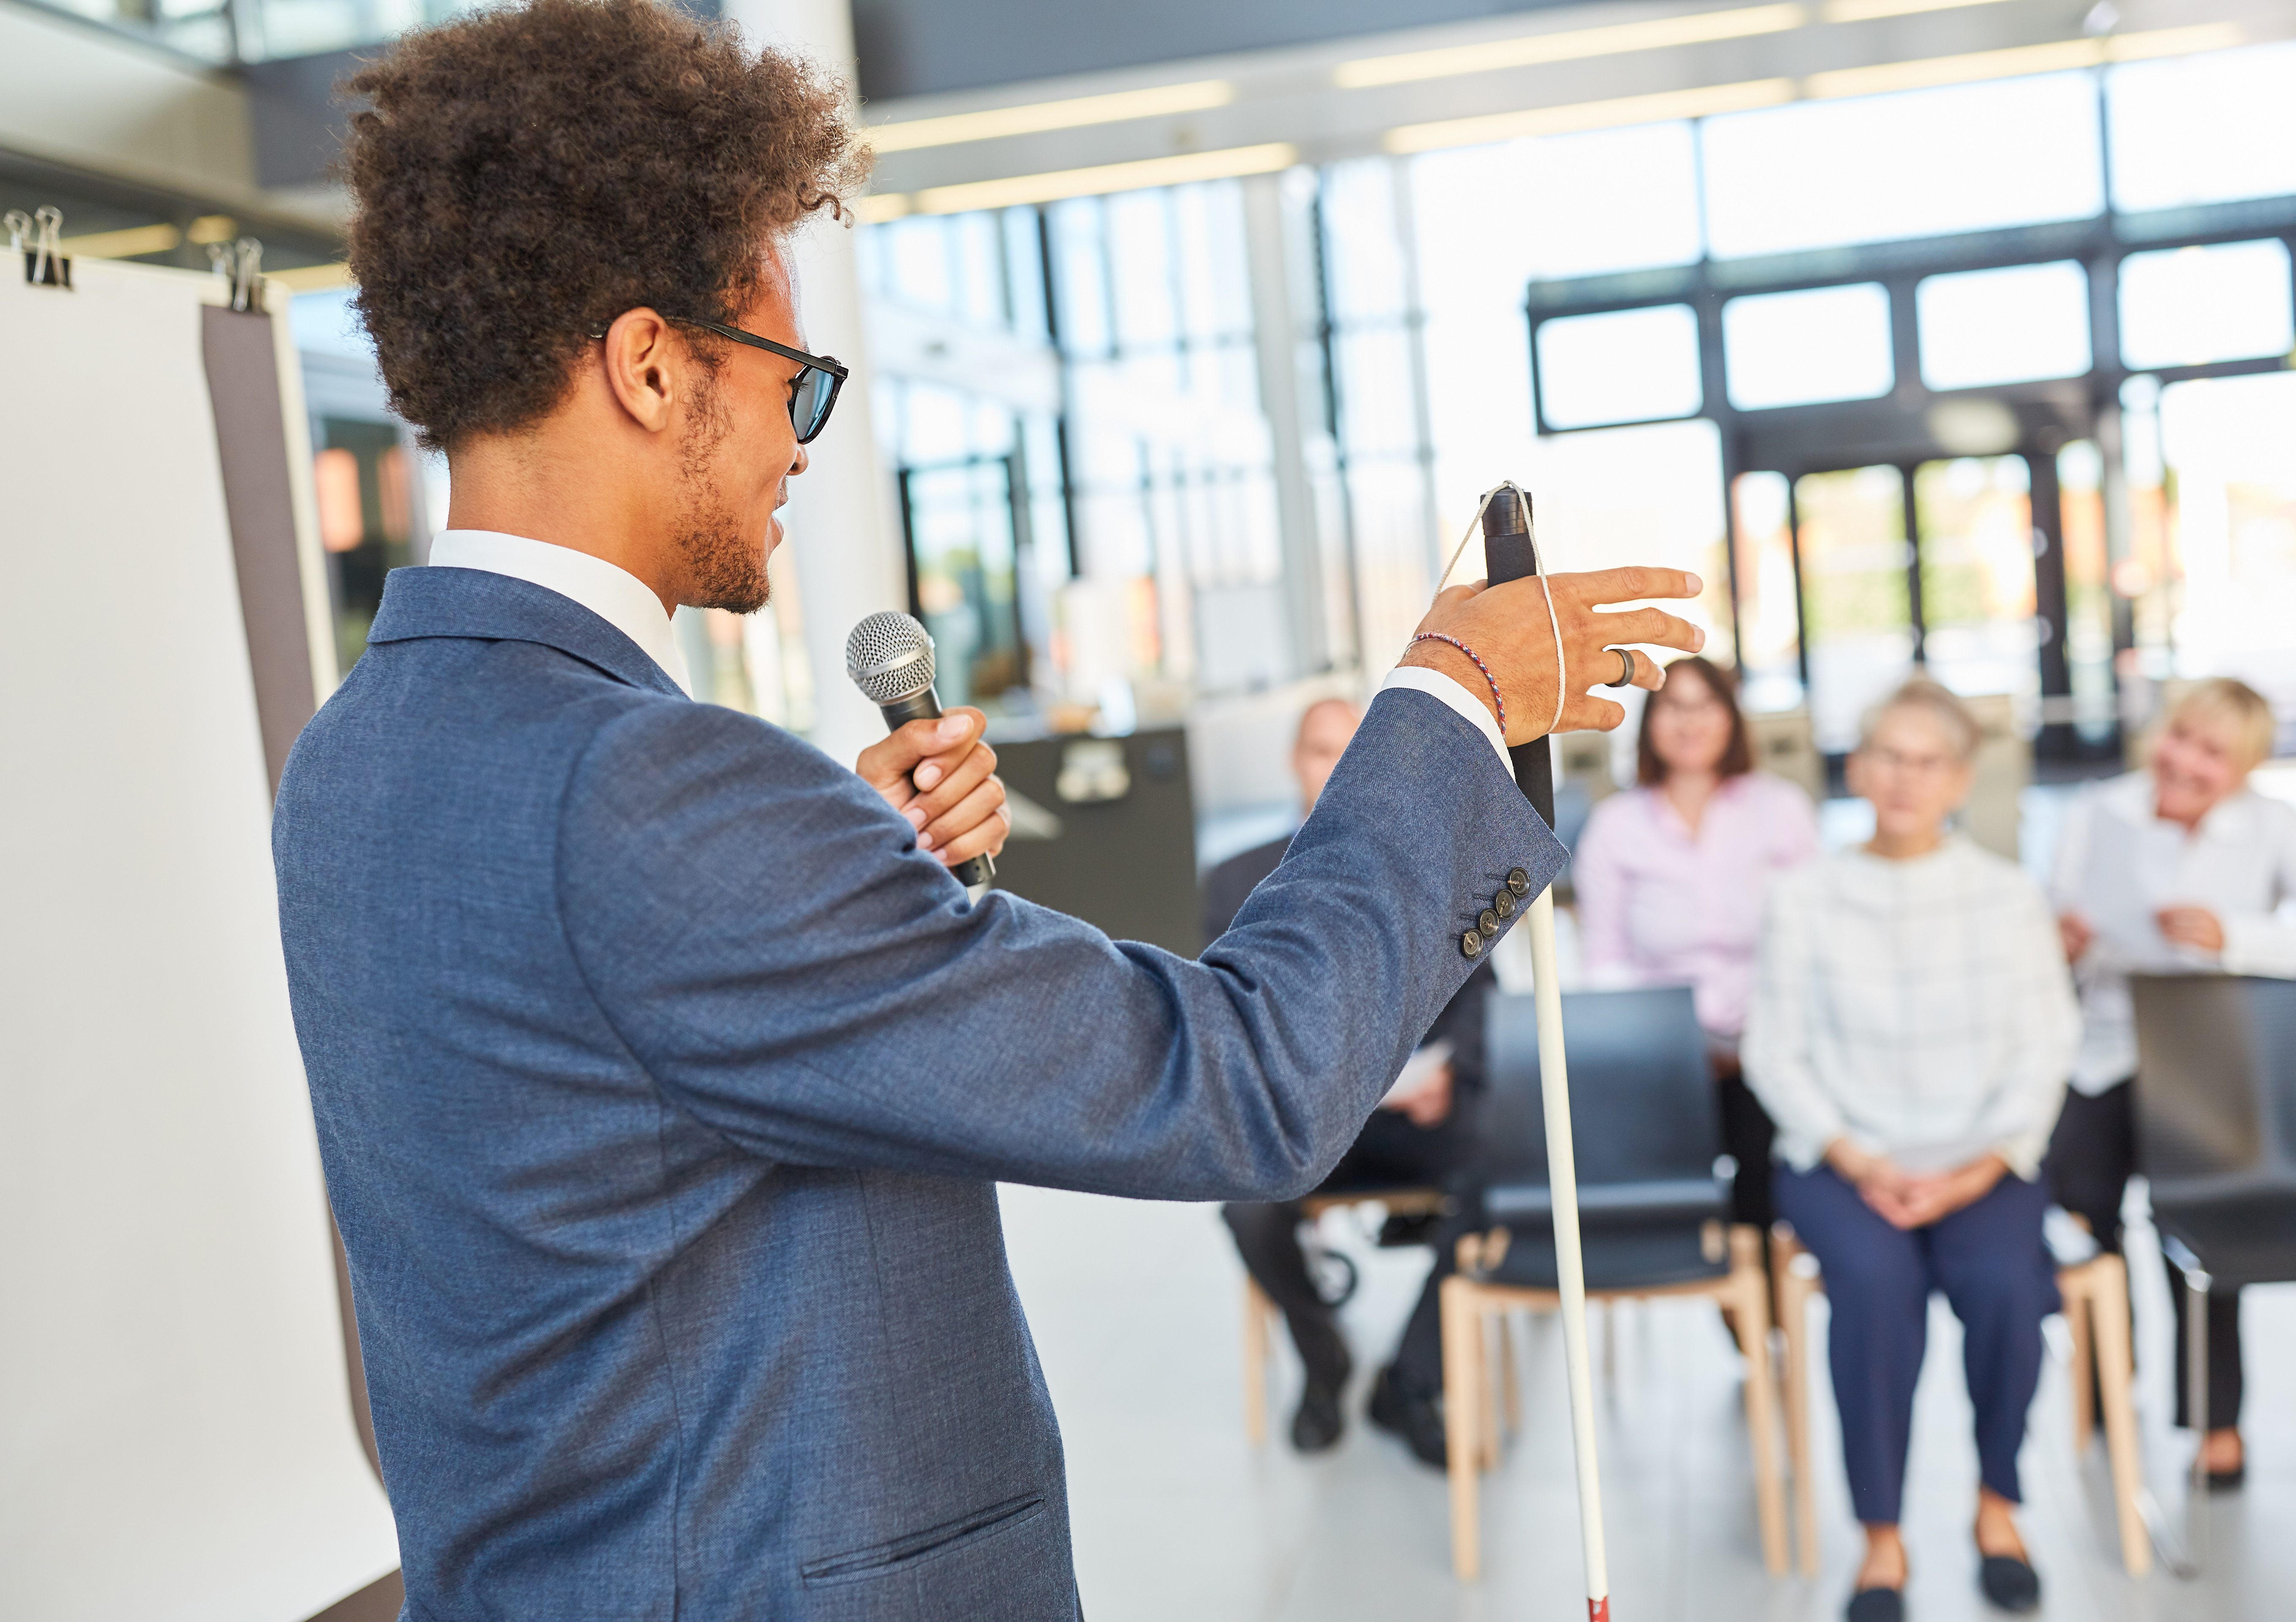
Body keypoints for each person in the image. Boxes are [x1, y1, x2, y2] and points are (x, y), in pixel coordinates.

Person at [268, 3, 1705, 1614]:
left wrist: (847, 877)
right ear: (655, 365)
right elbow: (1241, 1084)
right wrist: (1449, 694)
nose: (803, 449)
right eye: (793, 382)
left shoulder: (356, 757)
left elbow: (616, 1111)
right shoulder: (660, 794)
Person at [1743, 679, 2079, 1622]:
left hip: (1982, 1158)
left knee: (2009, 1287)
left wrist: (1976, 1168)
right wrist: (1860, 1160)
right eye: (1886, 754)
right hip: (1842, 1159)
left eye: (1927, 761)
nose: (1904, 777)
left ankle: (1997, 1506)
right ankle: (1882, 1537)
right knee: (1876, 1290)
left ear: (1962, 780)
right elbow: (1777, 1050)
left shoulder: (2008, 895)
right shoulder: (1805, 897)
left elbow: (2044, 1047)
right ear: (1858, 767)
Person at [2047, 677, 2296, 1483]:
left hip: (2205, 1069)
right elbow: (2051, 936)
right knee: (2082, 1229)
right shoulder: (2095, 814)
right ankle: (2103, 1384)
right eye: (2181, 739)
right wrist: (2061, 944)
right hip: (2101, 1057)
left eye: (2214, 754)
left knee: (2201, 1235)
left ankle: (2215, 1422)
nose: (2187, 764)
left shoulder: (2272, 828)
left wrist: (2235, 936)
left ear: (2247, 769)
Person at [1209, 698, 1492, 1469]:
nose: (1332, 769)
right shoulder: (1234, 878)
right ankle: (1323, 1357)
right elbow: (1220, 1019)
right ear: (1292, 764)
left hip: (1414, 1119)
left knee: (1503, 1175)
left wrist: (1455, 1073)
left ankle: (1411, 1377)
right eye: (1317, 751)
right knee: (1247, 1211)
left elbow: (1480, 996)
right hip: (1303, 1126)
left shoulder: (1435, 870)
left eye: (1351, 754)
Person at [1572, 655, 1815, 1236]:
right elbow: (1604, 960)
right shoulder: (1617, 825)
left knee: (1768, 1164)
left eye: (1704, 705)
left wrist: (1768, 1030)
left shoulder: (1778, 810)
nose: (1690, 722)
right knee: (1685, 1197)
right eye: (1673, 708)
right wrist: (1673, 1038)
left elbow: (1813, 937)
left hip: (1770, 1041)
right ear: (1650, 723)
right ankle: (1733, 1288)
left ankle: (1760, 1296)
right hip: (1669, 1054)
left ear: (1730, 717)